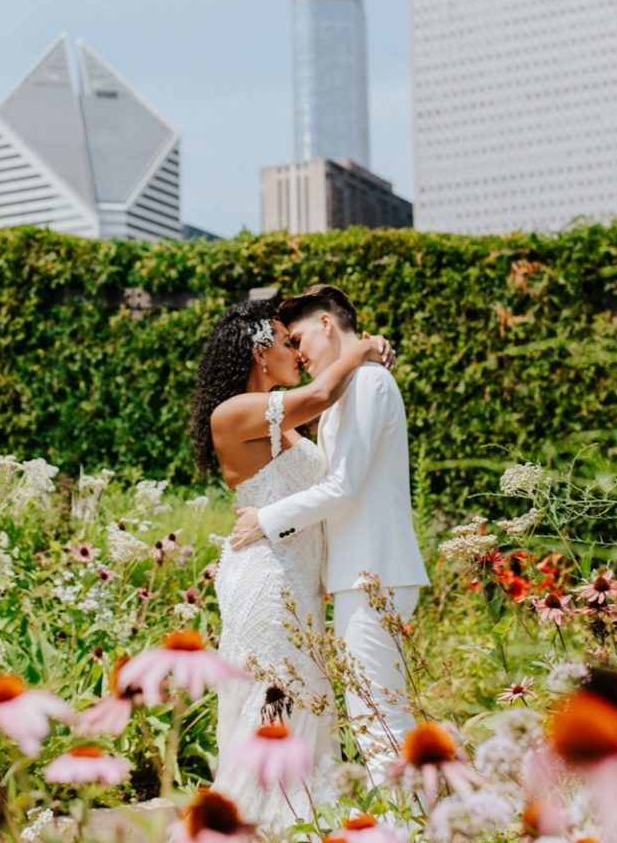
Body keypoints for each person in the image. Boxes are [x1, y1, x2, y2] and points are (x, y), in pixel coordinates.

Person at [190, 297, 395, 832]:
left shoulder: (280, 417)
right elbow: (326, 392)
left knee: (306, 702)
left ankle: (299, 820)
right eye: (287, 343)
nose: (297, 353)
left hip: (299, 580)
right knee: (276, 702)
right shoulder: (233, 411)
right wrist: (365, 347)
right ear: (261, 353)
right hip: (267, 577)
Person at [229, 284, 429, 785]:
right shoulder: (349, 389)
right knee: (374, 715)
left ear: (325, 324)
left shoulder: (369, 383)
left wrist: (266, 519)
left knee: (377, 717)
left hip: (374, 572)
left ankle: (412, 828)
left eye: (298, 339)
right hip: (354, 577)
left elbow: (343, 485)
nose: (297, 352)